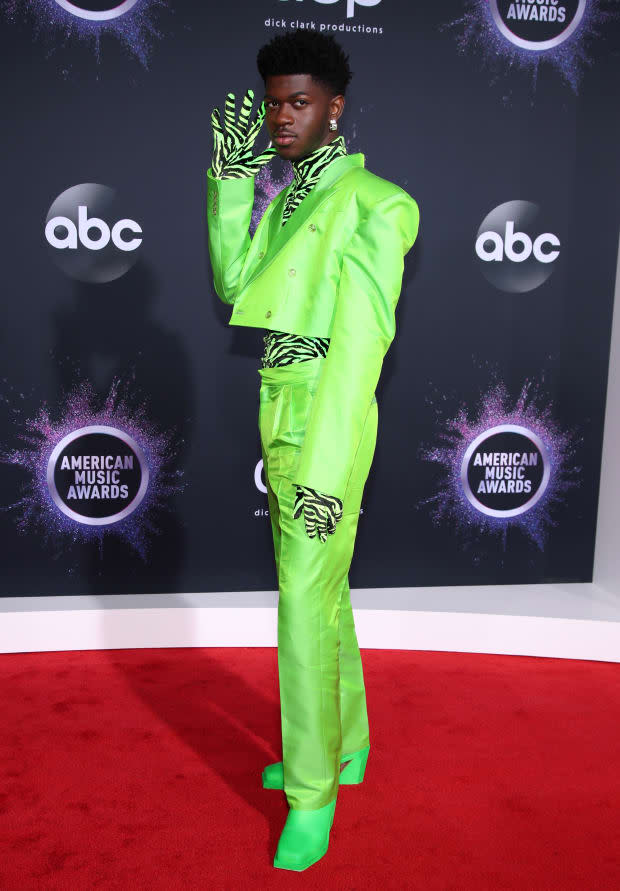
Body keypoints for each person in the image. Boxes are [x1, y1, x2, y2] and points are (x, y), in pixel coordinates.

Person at [207, 30, 419, 871]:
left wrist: (329, 471)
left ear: (336, 107)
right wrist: (229, 184)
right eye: (272, 102)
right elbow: (234, 286)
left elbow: (362, 354)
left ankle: (311, 794)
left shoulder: (381, 204)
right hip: (278, 407)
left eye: (298, 102)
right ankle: (347, 744)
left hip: (328, 418)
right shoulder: (280, 195)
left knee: (300, 599)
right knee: (322, 593)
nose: (280, 117)